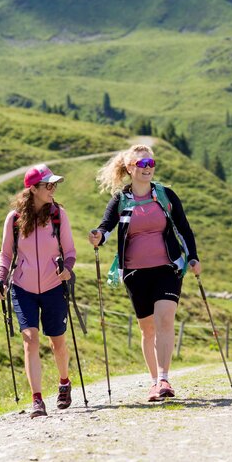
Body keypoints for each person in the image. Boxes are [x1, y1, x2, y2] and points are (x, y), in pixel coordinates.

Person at [89, 144, 200, 402]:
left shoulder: (165, 195)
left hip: (168, 268)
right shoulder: (120, 200)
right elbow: (106, 227)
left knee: (165, 319)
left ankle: (164, 379)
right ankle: (153, 382)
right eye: (141, 164)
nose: (147, 168)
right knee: (147, 329)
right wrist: (98, 236)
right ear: (130, 168)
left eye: (151, 163)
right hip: (135, 273)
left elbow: (183, 228)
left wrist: (193, 257)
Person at [0, 164, 76, 418]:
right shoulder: (15, 219)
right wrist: (1, 279)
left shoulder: (58, 215)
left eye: (54, 184)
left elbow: (70, 251)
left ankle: (64, 382)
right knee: (30, 339)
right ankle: (37, 399)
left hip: (54, 287)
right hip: (22, 288)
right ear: (33, 188)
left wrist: (67, 270)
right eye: (48, 185)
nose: (53, 189)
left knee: (57, 343)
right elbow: (6, 254)